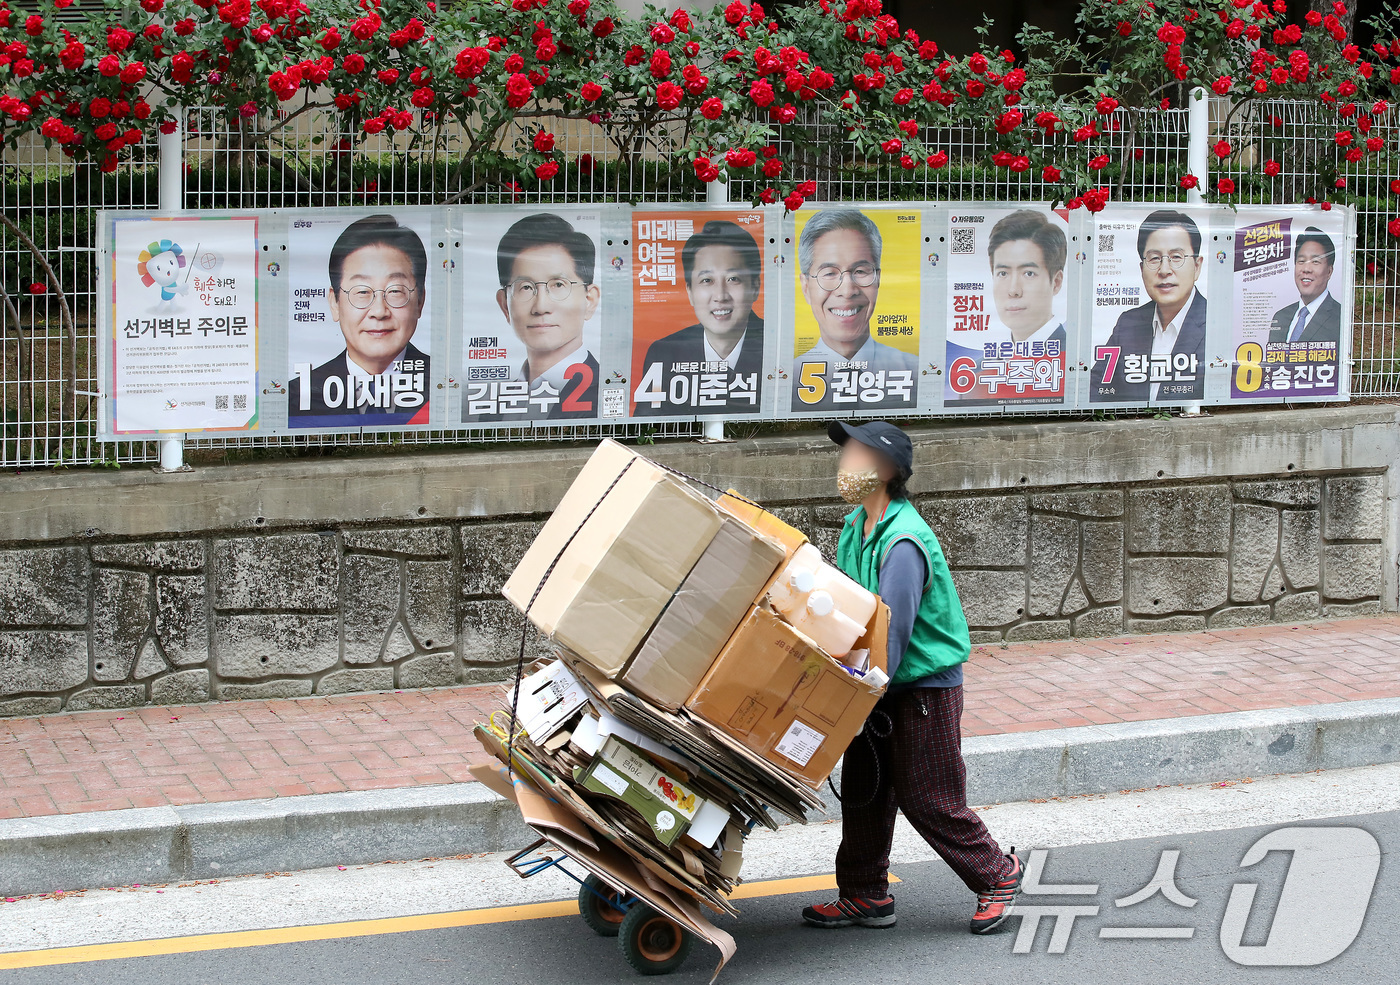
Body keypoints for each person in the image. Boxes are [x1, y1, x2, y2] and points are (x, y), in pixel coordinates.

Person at [802, 420, 1024, 935]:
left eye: (853, 453)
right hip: (876, 679)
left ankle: (997, 873)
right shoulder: (856, 528)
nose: (843, 464)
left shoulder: (903, 541)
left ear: (883, 470)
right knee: (865, 791)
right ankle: (864, 894)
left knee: (928, 794)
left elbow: (893, 632)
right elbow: (848, 613)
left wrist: (858, 694)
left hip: (920, 684)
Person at [289, 214, 430, 426]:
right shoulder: (297, 395)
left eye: (395, 291)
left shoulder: (447, 384)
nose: (379, 311)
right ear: (335, 303)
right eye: (362, 291)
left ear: (419, 301)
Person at [634, 220, 765, 415]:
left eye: (733, 279)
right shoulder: (664, 353)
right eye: (707, 280)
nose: (720, 296)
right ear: (690, 292)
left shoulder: (779, 348)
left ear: (755, 286)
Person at [481, 212, 601, 421]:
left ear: (589, 300)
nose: (541, 306)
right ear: (505, 305)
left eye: (558, 285)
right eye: (526, 287)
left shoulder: (603, 391)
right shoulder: (492, 401)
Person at [793, 210, 917, 410]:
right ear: (806, 286)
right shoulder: (788, 377)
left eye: (860, 271)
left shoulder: (913, 370)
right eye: (830, 273)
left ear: (878, 279)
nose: (847, 290)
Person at [946, 210, 1067, 403]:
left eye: (1028, 273)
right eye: (1003, 273)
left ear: (1056, 282)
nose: (1013, 290)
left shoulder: (1072, 361)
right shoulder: (977, 373)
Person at [1089, 209, 1208, 403]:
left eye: (1176, 257)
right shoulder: (1128, 323)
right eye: (1154, 258)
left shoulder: (1216, 324)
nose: (1164, 270)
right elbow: (1096, 388)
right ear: (1141, 268)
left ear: (1197, 266)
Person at [1268, 227, 1342, 347]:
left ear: (1329, 271)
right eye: (1301, 261)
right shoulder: (1280, 317)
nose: (1306, 269)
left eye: (1315, 262)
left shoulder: (1340, 317)